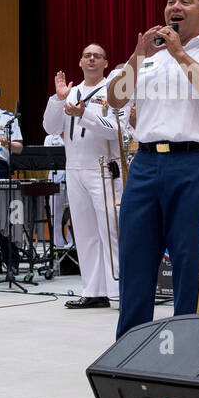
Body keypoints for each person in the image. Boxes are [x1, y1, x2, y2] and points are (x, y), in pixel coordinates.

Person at [105, 0, 199, 338]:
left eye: (185, 1)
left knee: (188, 265)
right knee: (135, 260)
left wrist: (181, 54)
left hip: (193, 163)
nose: (174, 7)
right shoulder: (148, 55)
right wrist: (137, 56)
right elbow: (116, 99)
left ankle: (185, 357)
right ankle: (129, 351)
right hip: (145, 163)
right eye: (170, 1)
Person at [43, 44, 124, 310]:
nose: (91, 59)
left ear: (105, 62)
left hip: (102, 169)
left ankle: (119, 289)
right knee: (85, 233)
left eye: (97, 56)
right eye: (87, 55)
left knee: (110, 230)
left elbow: (115, 130)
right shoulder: (70, 92)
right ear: (80, 62)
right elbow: (50, 128)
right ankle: (94, 291)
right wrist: (58, 100)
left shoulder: (112, 90)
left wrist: (84, 114)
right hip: (74, 167)